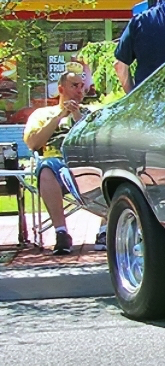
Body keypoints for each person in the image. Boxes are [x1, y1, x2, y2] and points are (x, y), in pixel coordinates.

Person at [23, 71, 103, 255]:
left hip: (86, 164)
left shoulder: (91, 113)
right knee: (46, 167)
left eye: (82, 86)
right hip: (57, 165)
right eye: (74, 85)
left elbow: (96, 142)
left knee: (113, 166)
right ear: (61, 89)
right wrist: (60, 115)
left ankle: (104, 232)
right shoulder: (42, 114)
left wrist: (77, 117)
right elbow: (33, 143)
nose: (80, 90)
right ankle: (61, 233)